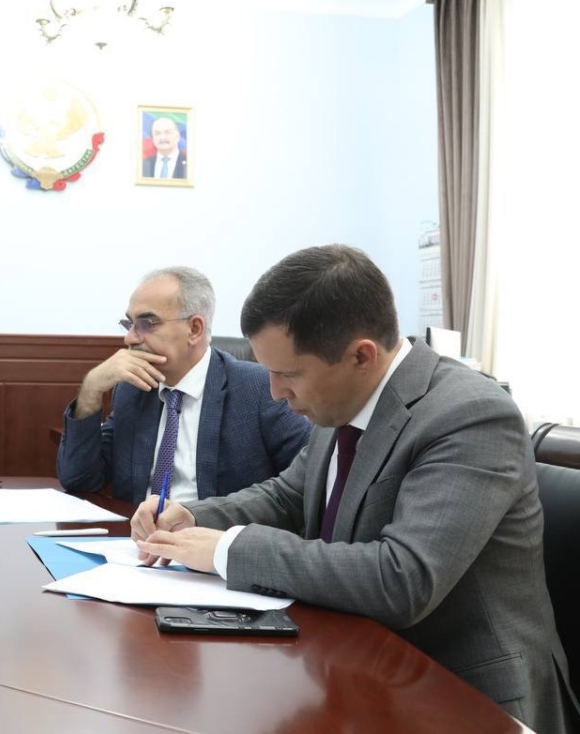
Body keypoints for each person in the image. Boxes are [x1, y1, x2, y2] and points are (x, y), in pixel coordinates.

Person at [132, 245, 578, 733]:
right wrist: (197, 517)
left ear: (361, 356)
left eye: (288, 374)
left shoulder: (469, 414)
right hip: (361, 665)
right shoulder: (342, 399)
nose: (276, 393)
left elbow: (403, 578)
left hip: (463, 695)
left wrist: (228, 549)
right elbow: (288, 495)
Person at [56, 266, 310, 504]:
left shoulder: (257, 388)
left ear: (195, 329)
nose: (130, 338)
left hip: (216, 533)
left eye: (146, 324)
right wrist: (91, 388)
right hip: (137, 534)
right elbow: (80, 480)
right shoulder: (133, 389)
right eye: (129, 324)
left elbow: (306, 483)